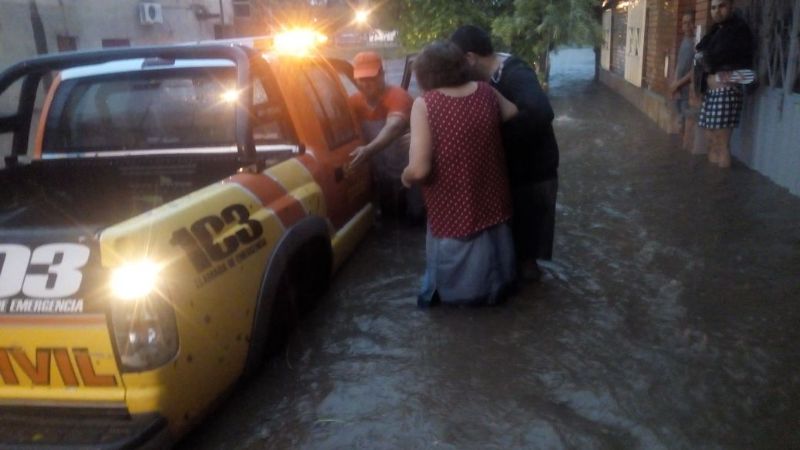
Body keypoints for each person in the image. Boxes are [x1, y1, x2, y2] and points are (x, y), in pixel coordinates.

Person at [401, 40, 518, 307]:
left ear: (424, 74)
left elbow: (419, 169)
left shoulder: (425, 104)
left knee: (455, 305)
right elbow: (512, 112)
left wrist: (405, 176)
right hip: (493, 206)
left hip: (453, 213)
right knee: (498, 291)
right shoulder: (486, 92)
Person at [450, 25, 560, 282]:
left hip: (533, 177)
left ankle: (529, 315)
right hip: (519, 175)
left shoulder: (514, 73)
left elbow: (542, 113)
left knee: (526, 258)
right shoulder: (491, 77)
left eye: (458, 63)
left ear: (470, 58)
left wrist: (492, 141)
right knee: (514, 253)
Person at [348, 51, 420, 218]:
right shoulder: (353, 102)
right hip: (382, 175)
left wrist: (368, 150)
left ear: (382, 74)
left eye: (371, 78)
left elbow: (393, 127)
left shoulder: (398, 96)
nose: (366, 84)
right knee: (387, 217)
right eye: (361, 79)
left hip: (408, 174)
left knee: (415, 217)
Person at [695, 0, 754, 168]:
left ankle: (722, 185)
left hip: (726, 92)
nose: (716, 11)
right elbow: (701, 52)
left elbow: (721, 59)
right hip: (711, 92)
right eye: (713, 7)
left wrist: (720, 75)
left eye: (721, 6)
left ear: (731, 7)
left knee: (722, 143)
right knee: (710, 138)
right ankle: (713, 185)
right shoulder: (715, 31)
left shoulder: (739, 30)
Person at [670, 12, 696, 137]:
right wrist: (674, 83)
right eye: (684, 22)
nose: (686, 26)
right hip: (678, 89)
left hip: (687, 91)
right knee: (678, 121)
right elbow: (679, 65)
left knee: (684, 125)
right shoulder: (684, 41)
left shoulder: (696, 43)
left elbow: (694, 71)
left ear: (694, 24)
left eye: (689, 22)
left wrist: (678, 84)